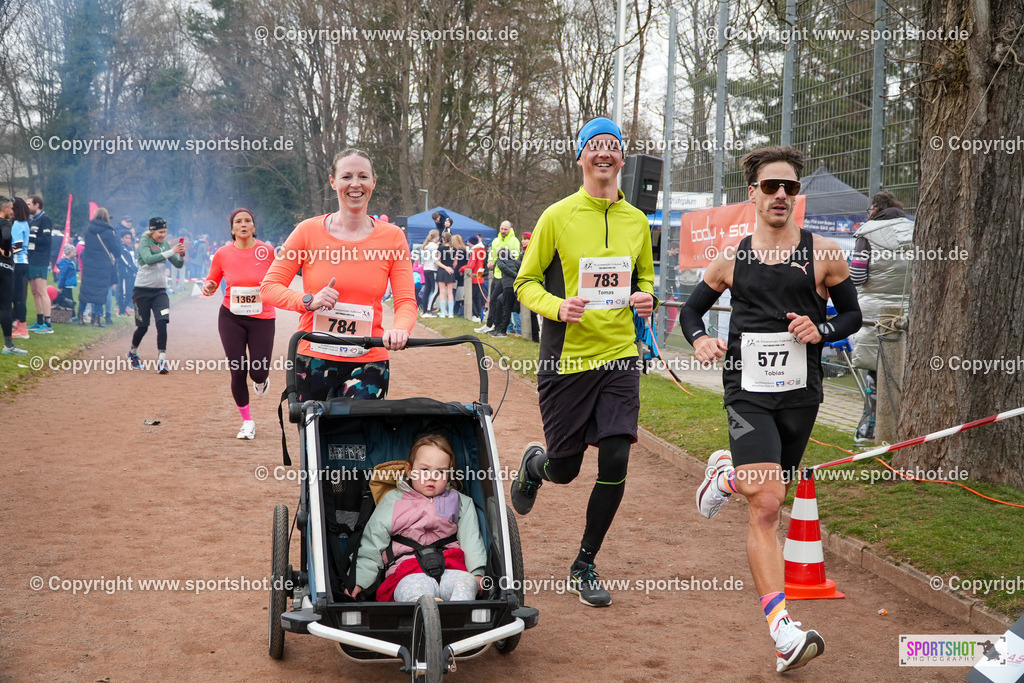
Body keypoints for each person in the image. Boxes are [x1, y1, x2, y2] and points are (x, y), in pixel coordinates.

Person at [683, 146, 862, 673]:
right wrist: (698, 341)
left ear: (796, 195)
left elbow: (850, 315)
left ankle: (724, 477)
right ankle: (782, 630)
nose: (780, 195)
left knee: (764, 490)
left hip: (802, 395)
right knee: (767, 503)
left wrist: (821, 330)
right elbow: (693, 312)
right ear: (753, 195)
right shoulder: (731, 258)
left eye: (789, 187)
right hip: (747, 391)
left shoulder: (825, 254)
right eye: (770, 187)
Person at [510, 117, 657, 608]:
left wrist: (645, 299)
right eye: (594, 146)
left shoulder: (637, 221)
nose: (603, 154)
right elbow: (524, 282)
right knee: (567, 469)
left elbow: (646, 279)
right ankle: (535, 466)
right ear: (580, 157)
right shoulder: (558, 216)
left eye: (611, 147)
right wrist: (557, 306)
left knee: (616, 456)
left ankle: (585, 562)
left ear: (620, 158)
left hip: (619, 357)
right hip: (567, 361)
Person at [260, 148, 416, 401]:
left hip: (368, 361)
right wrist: (308, 301)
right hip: (314, 357)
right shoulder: (307, 231)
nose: (355, 184)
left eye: (363, 177)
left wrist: (400, 329)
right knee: (315, 439)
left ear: (373, 182)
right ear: (333, 182)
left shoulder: (393, 237)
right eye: (346, 177)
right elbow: (269, 287)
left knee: (357, 438)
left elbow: (406, 300)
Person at [349, 434, 486, 602]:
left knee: (467, 582)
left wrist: (477, 573)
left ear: (449, 475)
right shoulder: (393, 501)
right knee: (414, 593)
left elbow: (471, 540)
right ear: (409, 470)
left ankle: (457, 614)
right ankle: (427, 614)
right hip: (407, 572)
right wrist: (359, 581)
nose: (432, 476)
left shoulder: (460, 502)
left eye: (440, 472)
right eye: (424, 470)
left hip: (450, 568)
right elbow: (372, 543)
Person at [202, 209, 276, 440]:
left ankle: (262, 380)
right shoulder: (223, 253)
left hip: (262, 318)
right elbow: (212, 280)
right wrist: (209, 287)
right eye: (238, 222)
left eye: (248, 221)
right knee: (237, 370)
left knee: (258, 372)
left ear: (254, 227)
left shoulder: (268, 251)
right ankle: (247, 422)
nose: (243, 225)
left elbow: (279, 278)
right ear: (232, 229)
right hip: (231, 317)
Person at [848, 190, 914, 443]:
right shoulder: (913, 229)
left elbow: (858, 275)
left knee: (875, 368)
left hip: (875, 313)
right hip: (908, 310)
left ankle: (870, 429)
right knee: (903, 367)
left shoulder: (867, 233)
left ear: (875, 208)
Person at [129, 217, 185, 373]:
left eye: (165, 232)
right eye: (160, 232)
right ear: (152, 230)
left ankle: (161, 361)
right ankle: (132, 353)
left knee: (162, 322)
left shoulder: (165, 244)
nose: (163, 236)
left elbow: (178, 264)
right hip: (142, 290)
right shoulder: (145, 242)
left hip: (160, 291)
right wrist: (170, 251)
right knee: (143, 327)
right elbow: (148, 259)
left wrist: (180, 254)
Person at [77, 208, 119, 328]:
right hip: (103, 264)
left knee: (85, 290)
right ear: (106, 217)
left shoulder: (88, 229)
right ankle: (97, 319)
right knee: (100, 291)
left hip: (89, 263)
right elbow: (115, 250)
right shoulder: (108, 231)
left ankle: (80, 317)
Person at [474, 221, 518, 335]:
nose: (503, 231)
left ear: (509, 229)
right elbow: (492, 254)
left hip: (506, 277)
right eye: (501, 229)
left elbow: (515, 259)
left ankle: (495, 326)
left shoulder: (514, 241)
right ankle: (490, 324)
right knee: (493, 301)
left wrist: (502, 263)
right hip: (496, 275)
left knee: (498, 301)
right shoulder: (496, 240)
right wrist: (490, 261)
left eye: (505, 229)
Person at [0, 197, 26, 354]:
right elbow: (7, 236)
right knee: (5, 307)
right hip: (4, 268)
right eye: (10, 208)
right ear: (4, 208)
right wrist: (7, 249)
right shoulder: (5, 223)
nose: (12, 211)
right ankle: (8, 346)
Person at [27, 196, 54, 333]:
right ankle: (39, 321)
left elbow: (47, 240)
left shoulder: (45, 219)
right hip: (31, 258)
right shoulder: (33, 220)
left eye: (29, 204)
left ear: (37, 205)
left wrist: (31, 238)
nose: (27, 206)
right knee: (34, 291)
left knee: (42, 290)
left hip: (40, 258)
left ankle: (48, 324)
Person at [10, 198, 31, 339]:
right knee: (16, 296)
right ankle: (18, 324)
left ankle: (23, 328)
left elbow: (17, 247)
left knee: (17, 296)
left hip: (18, 262)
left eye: (12, 208)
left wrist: (5, 251)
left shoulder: (18, 224)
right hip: (22, 262)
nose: (10, 211)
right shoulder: (24, 223)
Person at [461, 235, 487, 321]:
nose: (467, 243)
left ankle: (475, 315)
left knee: (469, 296)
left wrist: (461, 269)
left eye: (468, 242)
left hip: (474, 277)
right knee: (478, 298)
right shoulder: (483, 250)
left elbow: (470, 265)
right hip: (480, 276)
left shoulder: (474, 252)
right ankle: (479, 315)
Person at [434, 230, 457, 318]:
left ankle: (443, 312)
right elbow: (455, 263)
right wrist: (450, 268)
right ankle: (451, 313)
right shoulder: (454, 249)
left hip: (442, 271)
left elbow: (437, 261)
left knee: (442, 293)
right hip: (450, 271)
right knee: (450, 293)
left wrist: (445, 267)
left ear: (443, 239)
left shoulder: (440, 248)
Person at [418, 229, 440, 316]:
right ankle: (429, 310)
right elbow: (435, 259)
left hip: (426, 269)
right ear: (436, 237)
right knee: (436, 291)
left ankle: (424, 309)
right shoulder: (434, 246)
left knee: (427, 290)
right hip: (432, 269)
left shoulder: (426, 246)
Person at [115, 232, 137, 316]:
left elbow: (133, 260)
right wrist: (133, 268)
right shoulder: (121, 248)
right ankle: (121, 310)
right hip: (124, 273)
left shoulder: (130, 248)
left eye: (129, 238)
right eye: (126, 237)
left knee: (129, 292)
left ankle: (124, 309)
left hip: (130, 273)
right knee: (124, 292)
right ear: (121, 238)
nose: (128, 240)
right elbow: (125, 260)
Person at [54, 245, 78, 310]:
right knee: (69, 300)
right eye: (74, 252)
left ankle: (70, 314)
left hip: (69, 284)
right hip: (66, 285)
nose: (75, 253)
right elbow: (62, 275)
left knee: (69, 299)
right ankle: (71, 314)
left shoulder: (70, 261)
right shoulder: (66, 263)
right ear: (69, 252)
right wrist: (60, 286)